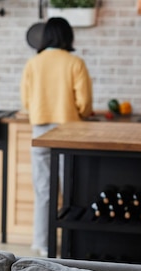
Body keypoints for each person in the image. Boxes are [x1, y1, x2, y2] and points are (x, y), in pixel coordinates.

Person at [20, 17, 93, 256]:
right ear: (68, 37)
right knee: (70, 190)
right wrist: (78, 113)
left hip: (40, 130)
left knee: (43, 190)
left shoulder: (34, 63)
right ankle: (70, 245)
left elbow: (26, 101)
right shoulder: (75, 62)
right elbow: (84, 104)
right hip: (68, 132)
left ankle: (42, 243)